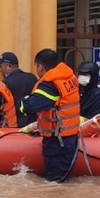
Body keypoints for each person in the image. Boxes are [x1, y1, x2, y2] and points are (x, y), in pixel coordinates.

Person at [20, 49, 81, 183]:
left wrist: (24, 102)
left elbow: (30, 106)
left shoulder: (51, 84)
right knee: (62, 181)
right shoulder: (69, 77)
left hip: (57, 142)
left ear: (40, 67)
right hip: (70, 137)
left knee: (54, 184)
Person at [0, 51, 38, 126]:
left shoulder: (5, 83)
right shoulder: (32, 78)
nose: (0, 70)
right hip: (33, 124)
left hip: (14, 125)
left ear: (9, 66)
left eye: (1, 66)